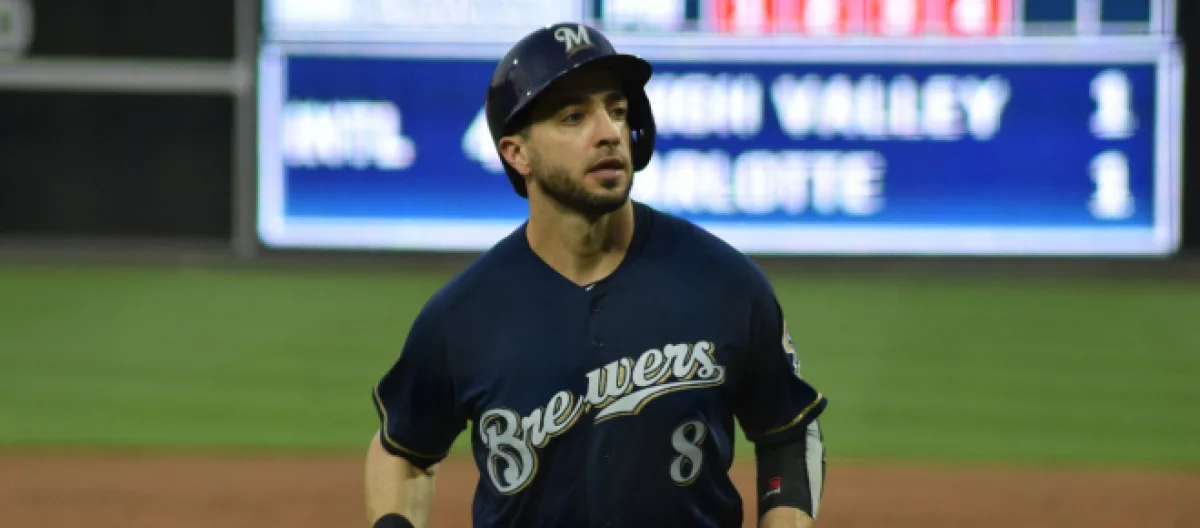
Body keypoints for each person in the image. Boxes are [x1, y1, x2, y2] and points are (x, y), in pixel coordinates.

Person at [364, 22, 829, 528]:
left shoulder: (725, 284)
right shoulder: (462, 317)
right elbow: (403, 451)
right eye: (573, 117)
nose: (608, 132)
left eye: (617, 110)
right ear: (516, 153)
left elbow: (788, 432)